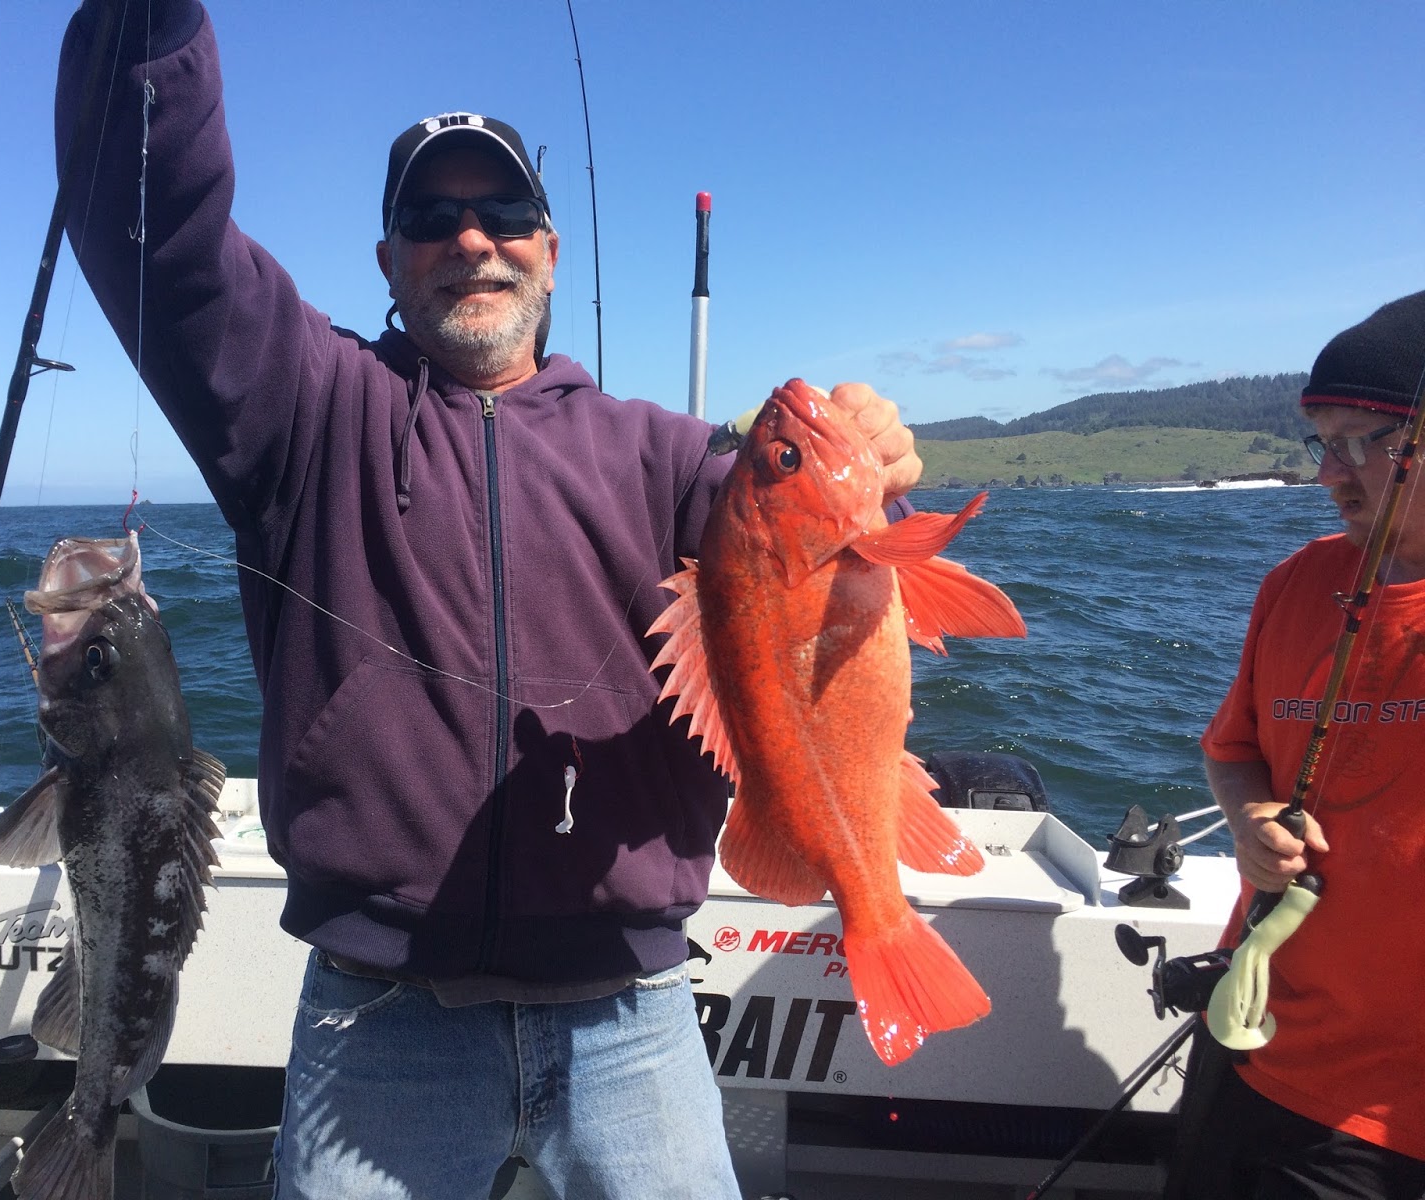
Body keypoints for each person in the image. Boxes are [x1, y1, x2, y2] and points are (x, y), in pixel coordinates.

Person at [55, 3, 922, 1197]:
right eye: (430, 217)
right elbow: (160, 238)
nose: (472, 239)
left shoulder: (667, 461)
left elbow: (794, 571)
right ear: (388, 262)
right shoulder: (306, 412)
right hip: (378, 1024)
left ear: (550, 252)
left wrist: (865, 466)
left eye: (504, 213)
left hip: (635, 1016)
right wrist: (144, 28)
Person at [1183, 291, 1425, 1200]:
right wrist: (1248, 816)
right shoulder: (1297, 582)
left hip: (1394, 1120)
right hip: (1247, 1046)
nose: (1333, 472)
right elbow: (1233, 745)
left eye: (1366, 440)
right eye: (1323, 441)